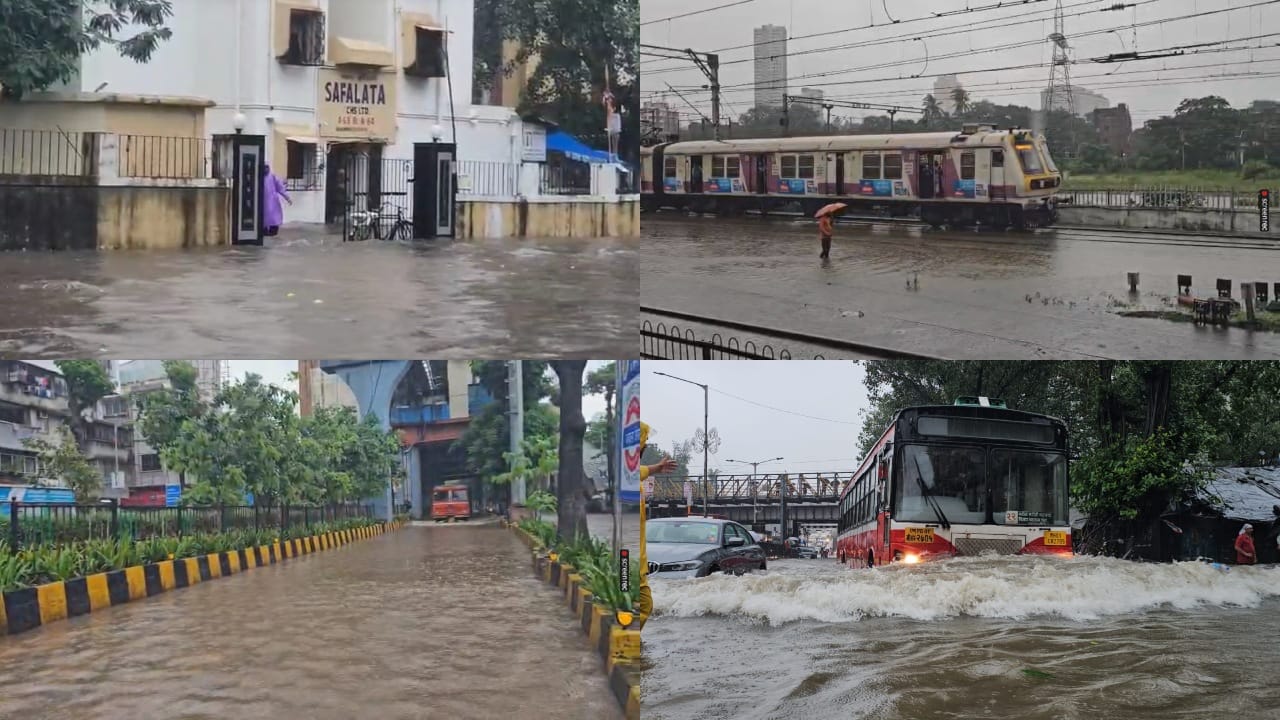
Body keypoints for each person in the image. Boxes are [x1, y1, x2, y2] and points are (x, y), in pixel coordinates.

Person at [634, 421, 677, 632]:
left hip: (637, 563)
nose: (646, 446)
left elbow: (638, 471)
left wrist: (656, 468)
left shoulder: (633, 474)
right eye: (644, 441)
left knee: (642, 604)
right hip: (627, 561)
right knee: (636, 605)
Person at [262, 163, 292, 237]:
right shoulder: (259, 178)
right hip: (262, 203)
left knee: (274, 220)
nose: (266, 169)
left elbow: (281, 188)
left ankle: (272, 233)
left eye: (267, 167)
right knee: (263, 220)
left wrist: (287, 198)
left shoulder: (273, 177)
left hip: (272, 202)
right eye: (264, 167)